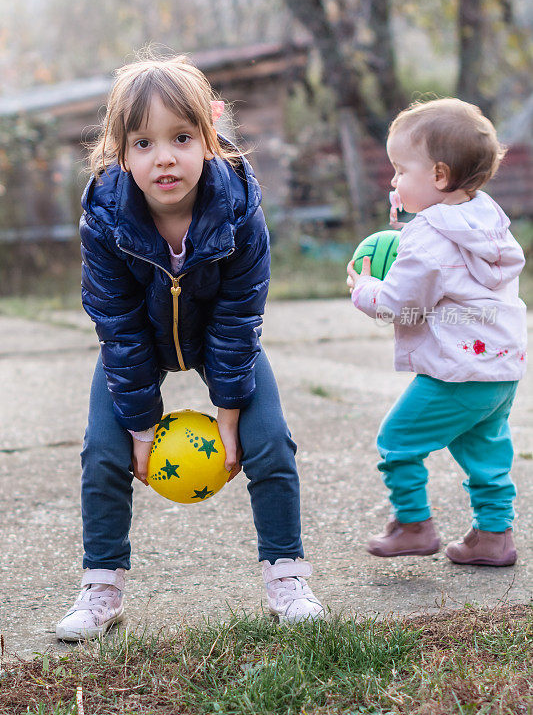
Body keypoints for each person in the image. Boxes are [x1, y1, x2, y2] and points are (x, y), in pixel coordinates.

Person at [55, 53, 323, 641]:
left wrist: (229, 417)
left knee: (270, 443)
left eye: (181, 137)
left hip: (217, 339)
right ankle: (100, 588)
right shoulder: (105, 217)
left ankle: (287, 574)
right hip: (139, 344)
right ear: (120, 152)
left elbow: (239, 316)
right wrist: (141, 428)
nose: (165, 157)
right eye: (144, 142)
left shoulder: (240, 210)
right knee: (103, 453)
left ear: (210, 135)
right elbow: (118, 326)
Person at [347, 98, 527, 567]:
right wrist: (408, 229)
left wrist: (364, 286)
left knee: (396, 441)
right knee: (483, 450)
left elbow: (400, 305)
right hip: (501, 369)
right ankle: (494, 536)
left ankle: (413, 524)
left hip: (456, 372)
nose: (393, 181)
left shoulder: (428, 236)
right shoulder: (486, 220)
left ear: (440, 177)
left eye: (400, 170)